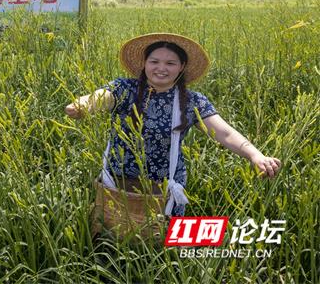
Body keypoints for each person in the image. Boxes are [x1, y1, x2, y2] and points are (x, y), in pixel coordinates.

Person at [65, 33, 281, 216]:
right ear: (144, 63)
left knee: (161, 245)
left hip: (165, 189)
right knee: (114, 237)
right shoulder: (125, 89)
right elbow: (103, 96)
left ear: (182, 67)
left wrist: (255, 155)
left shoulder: (192, 101)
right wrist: (83, 104)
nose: (161, 68)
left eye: (170, 63)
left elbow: (224, 133)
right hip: (118, 182)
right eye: (154, 62)